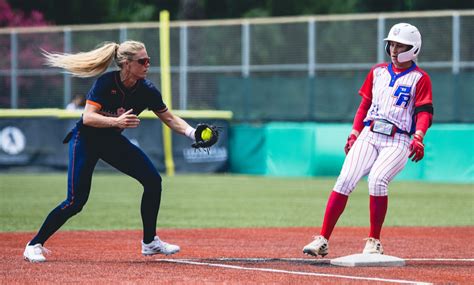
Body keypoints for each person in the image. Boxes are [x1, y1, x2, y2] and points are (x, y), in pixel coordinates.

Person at [23, 40, 204, 262]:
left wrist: (192, 133)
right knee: (75, 202)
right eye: (142, 61)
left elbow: (169, 118)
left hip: (110, 142)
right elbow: (87, 117)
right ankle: (34, 244)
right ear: (127, 64)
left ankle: (149, 242)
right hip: (85, 140)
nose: (148, 65)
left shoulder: (147, 90)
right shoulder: (106, 82)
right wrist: (116, 121)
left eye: (149, 60)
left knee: (153, 181)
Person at [303, 23, 433, 257]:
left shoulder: (419, 78)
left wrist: (419, 136)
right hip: (369, 134)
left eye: (400, 44)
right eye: (391, 43)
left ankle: (374, 241)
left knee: (377, 180)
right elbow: (364, 105)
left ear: (412, 48)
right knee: (344, 179)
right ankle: (322, 239)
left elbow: (425, 111)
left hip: (398, 139)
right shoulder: (378, 72)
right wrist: (354, 133)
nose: (394, 48)